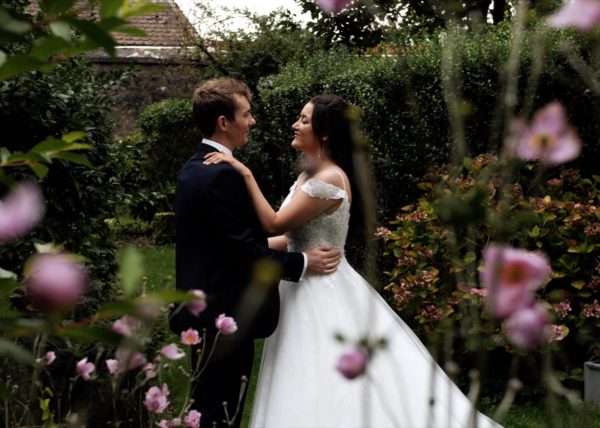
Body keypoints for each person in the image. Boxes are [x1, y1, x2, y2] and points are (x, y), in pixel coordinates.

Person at [203, 94, 502, 427]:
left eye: (303, 120)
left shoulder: (329, 179)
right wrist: (238, 249)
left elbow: (274, 223)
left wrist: (244, 173)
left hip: (321, 288)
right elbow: (290, 239)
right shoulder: (310, 175)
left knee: (325, 370)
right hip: (303, 282)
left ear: (325, 133)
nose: (295, 124)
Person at [170, 78, 342, 428]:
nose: (252, 121)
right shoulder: (220, 174)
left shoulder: (195, 167)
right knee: (219, 413)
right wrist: (304, 261)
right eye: (246, 114)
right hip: (224, 316)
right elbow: (243, 253)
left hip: (206, 311)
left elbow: (229, 243)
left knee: (207, 408)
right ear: (224, 122)